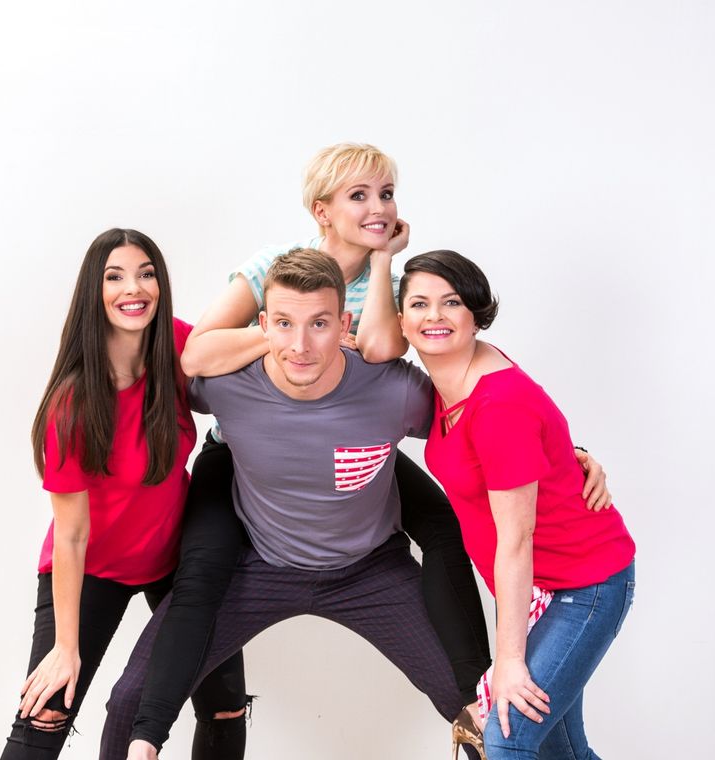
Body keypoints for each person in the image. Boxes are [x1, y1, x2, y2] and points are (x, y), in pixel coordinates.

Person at [125, 143, 611, 755]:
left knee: (440, 523)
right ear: (321, 210)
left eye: (386, 194)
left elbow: (401, 360)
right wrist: (290, 333)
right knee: (204, 566)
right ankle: (148, 731)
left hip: (353, 440)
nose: (378, 207)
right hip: (249, 445)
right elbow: (197, 354)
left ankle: (471, 694)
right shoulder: (275, 267)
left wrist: (560, 453)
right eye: (359, 196)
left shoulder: (398, 285)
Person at [102, 248, 479, 760]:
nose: (300, 346)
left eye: (319, 324)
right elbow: (129, 392)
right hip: (259, 568)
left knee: (482, 708)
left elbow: (484, 421)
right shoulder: (226, 386)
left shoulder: (394, 391)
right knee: (131, 705)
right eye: (284, 324)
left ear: (345, 325)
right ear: (262, 326)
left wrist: (569, 455)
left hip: (371, 571)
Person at [0, 228, 246, 760]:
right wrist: (67, 648)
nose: (134, 288)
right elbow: (71, 537)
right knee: (45, 715)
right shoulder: (72, 406)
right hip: (92, 568)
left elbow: (236, 350)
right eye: (115, 277)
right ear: (95, 291)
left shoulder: (174, 344)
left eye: (146, 273)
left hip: (174, 558)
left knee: (225, 706)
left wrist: (282, 336)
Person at [397, 250, 636, 759]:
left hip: (582, 586)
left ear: (476, 313)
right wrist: (572, 455)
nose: (435, 316)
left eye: (451, 302)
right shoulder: (447, 379)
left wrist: (508, 661)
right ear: (400, 319)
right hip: (537, 587)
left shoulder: (496, 401)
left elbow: (516, 537)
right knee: (561, 753)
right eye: (419, 303)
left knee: (507, 738)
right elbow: (532, 447)